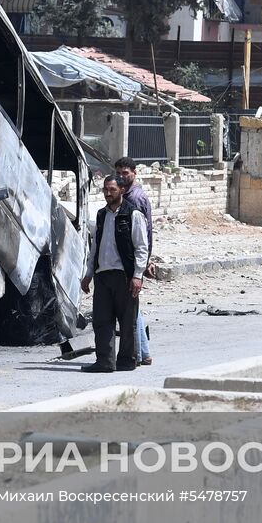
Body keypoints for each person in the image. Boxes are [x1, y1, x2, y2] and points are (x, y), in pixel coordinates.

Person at [80, 175, 150, 373]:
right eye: (105, 190)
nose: (108, 193)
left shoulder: (133, 215)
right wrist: (88, 273)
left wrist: (137, 276)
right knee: (102, 320)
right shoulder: (102, 215)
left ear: (121, 191)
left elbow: (141, 248)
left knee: (127, 322)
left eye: (112, 189)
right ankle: (105, 362)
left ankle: (127, 361)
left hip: (124, 277)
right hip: (103, 276)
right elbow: (95, 246)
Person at [113, 157, 156, 366]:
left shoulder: (135, 198)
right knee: (132, 307)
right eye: (118, 173)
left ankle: (138, 354)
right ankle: (144, 352)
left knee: (130, 307)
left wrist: (142, 263)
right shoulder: (127, 195)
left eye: (125, 173)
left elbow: (143, 234)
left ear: (134, 173)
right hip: (131, 261)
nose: (121, 176)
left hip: (131, 262)